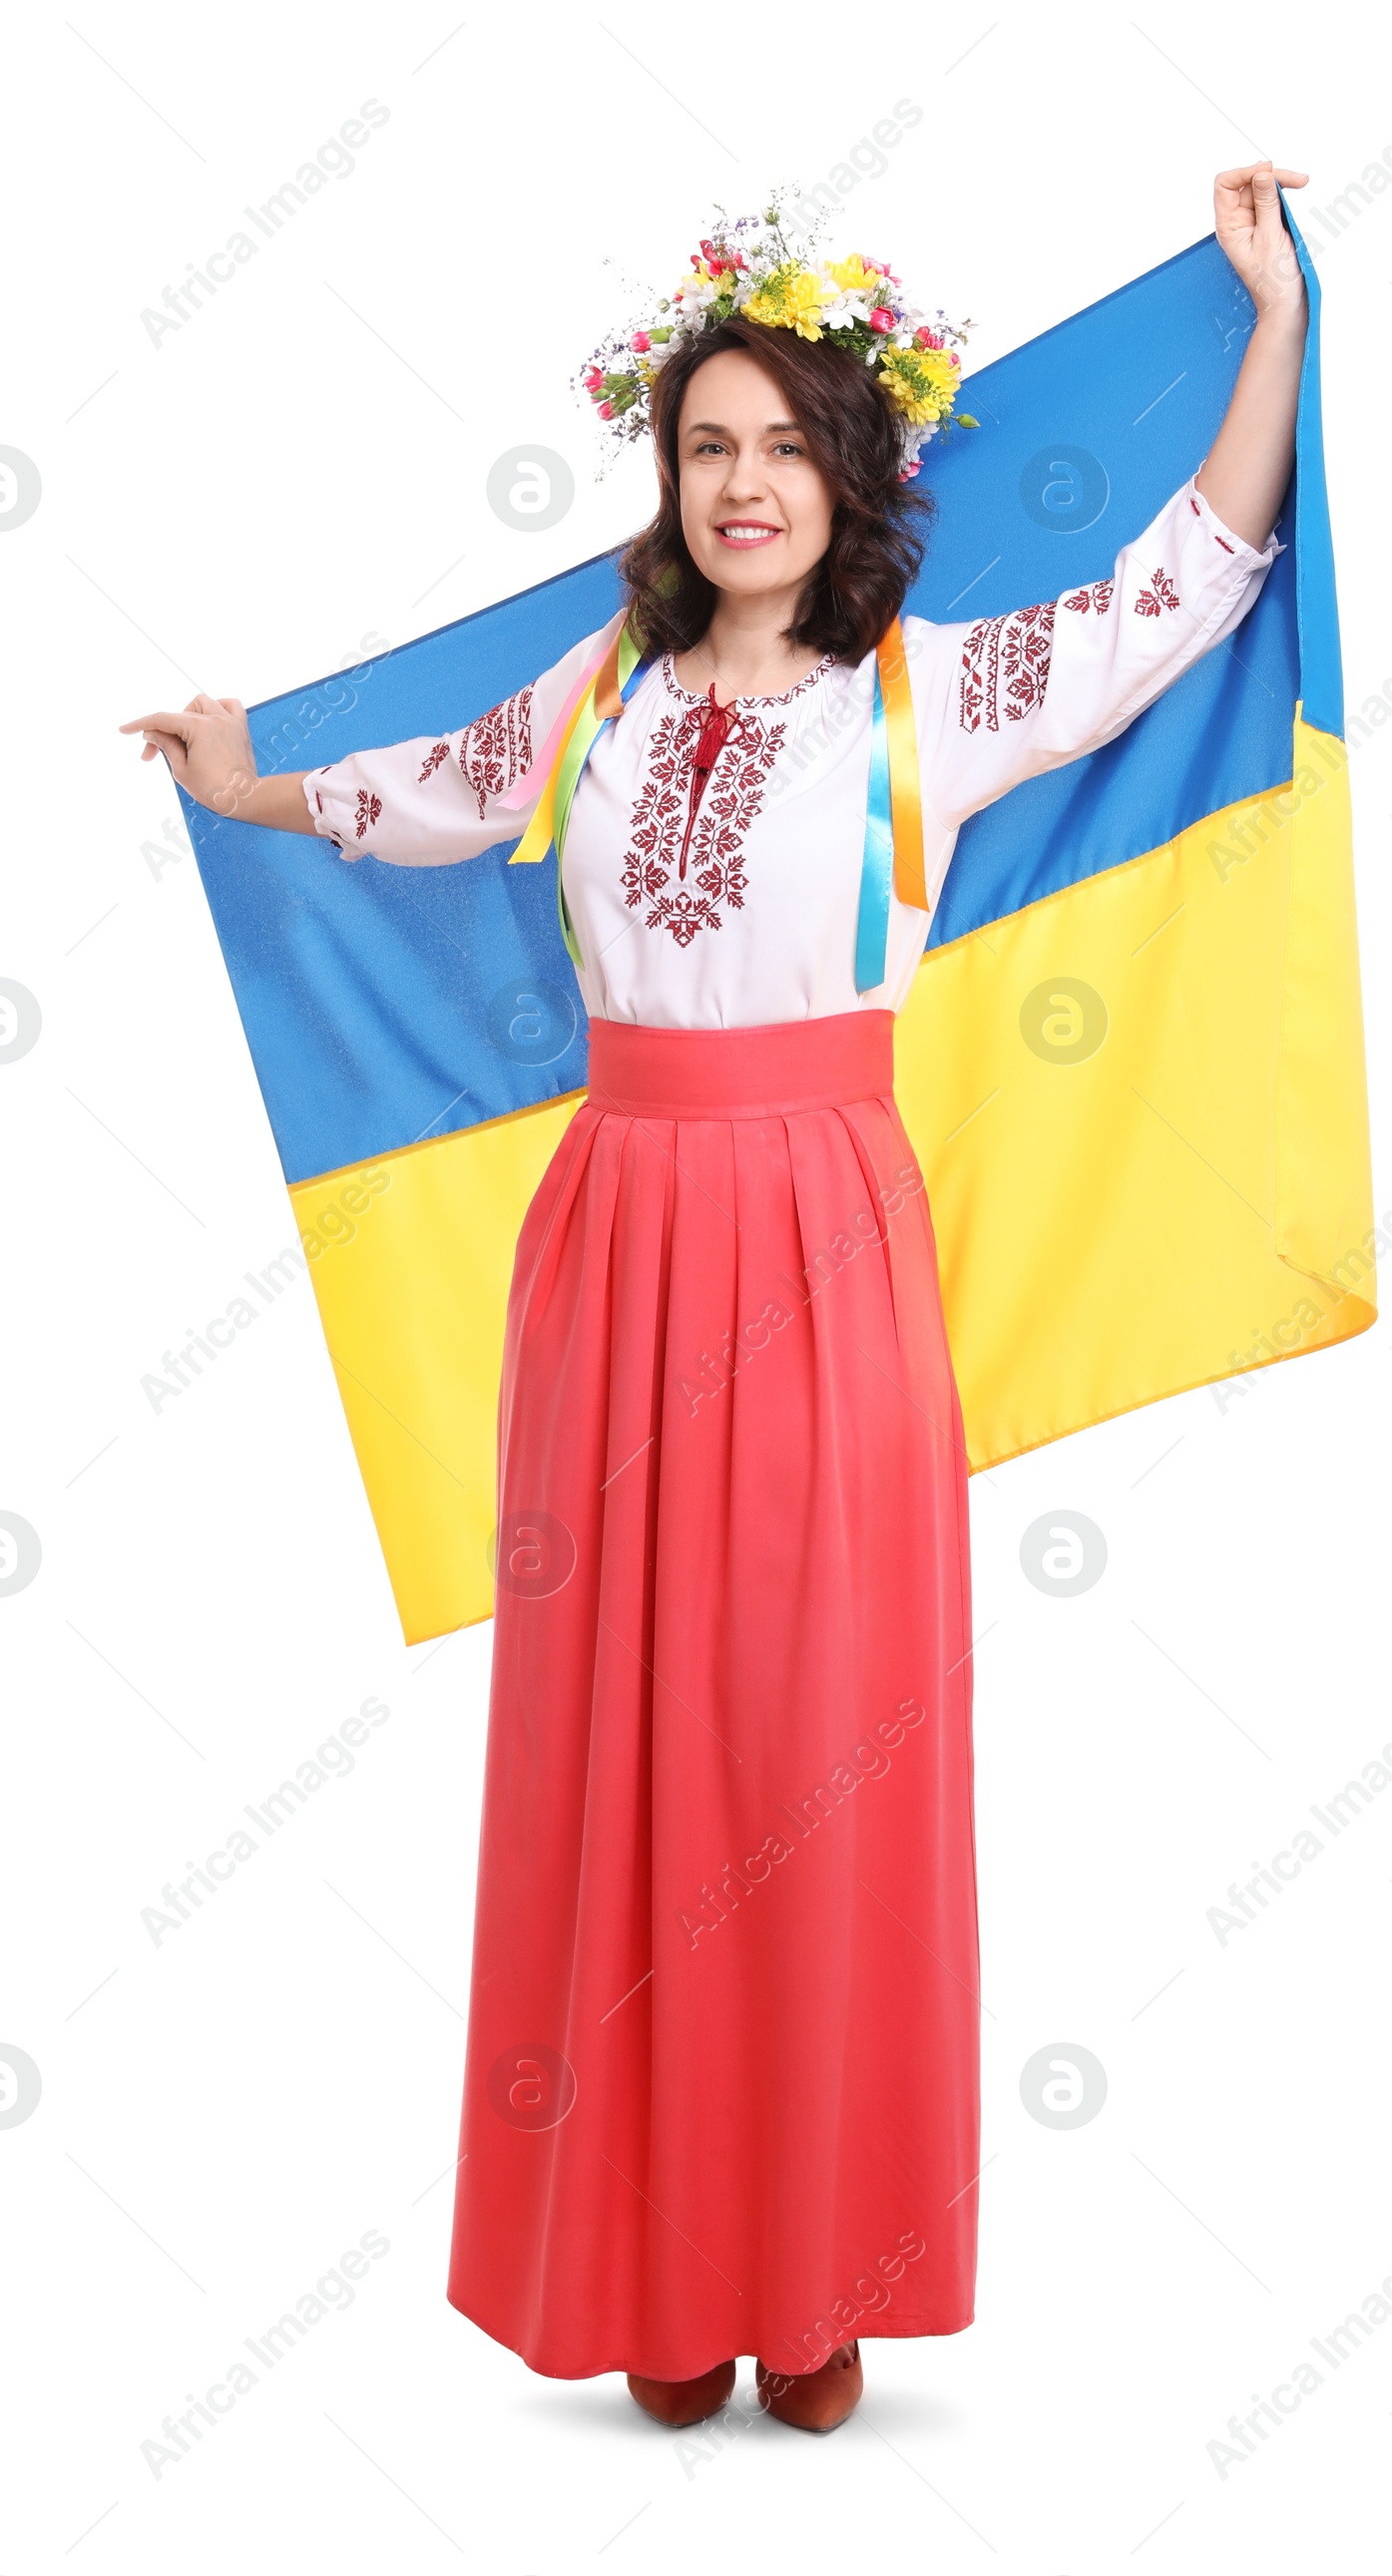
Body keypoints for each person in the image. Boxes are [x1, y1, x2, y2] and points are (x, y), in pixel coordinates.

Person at [123, 165, 1309, 2436]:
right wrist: (241, 772)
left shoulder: (922, 697)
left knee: (809, 1733)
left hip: (822, 1241)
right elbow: (428, 795)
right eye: (705, 446)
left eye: (780, 443)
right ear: (666, 482)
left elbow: (1180, 588)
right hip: (616, 1243)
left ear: (843, 475)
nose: (741, 483)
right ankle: (654, 2263)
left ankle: (815, 2268)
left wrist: (1262, 333)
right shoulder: (592, 694)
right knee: (622, 1745)